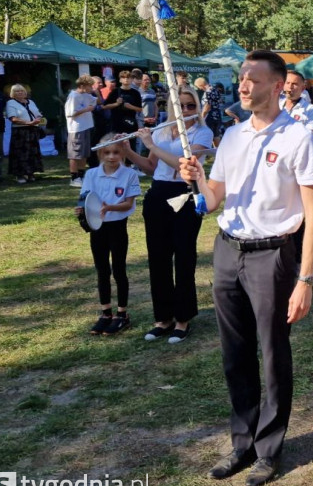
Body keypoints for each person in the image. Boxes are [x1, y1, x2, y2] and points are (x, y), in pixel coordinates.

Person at [179, 50, 313, 486]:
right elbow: (215, 198)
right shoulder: (232, 136)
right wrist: (197, 178)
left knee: (273, 353)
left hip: (273, 256)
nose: (243, 86)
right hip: (228, 251)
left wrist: (305, 279)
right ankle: (241, 443)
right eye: (242, 78)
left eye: (253, 80)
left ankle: (268, 449)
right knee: (234, 353)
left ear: (278, 87)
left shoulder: (300, 138)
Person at [127, 86, 213, 344]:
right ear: (171, 108)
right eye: (181, 106)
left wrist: (150, 143)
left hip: (185, 195)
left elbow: (183, 165)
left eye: (190, 106)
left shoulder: (203, 132)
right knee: (158, 257)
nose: (186, 110)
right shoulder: (162, 130)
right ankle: (162, 318)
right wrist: (128, 150)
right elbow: (152, 167)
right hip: (158, 195)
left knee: (184, 256)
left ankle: (183, 319)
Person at [77, 134, 141, 335]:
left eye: (116, 152)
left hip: (117, 227)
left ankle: (122, 315)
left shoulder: (129, 174)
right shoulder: (91, 174)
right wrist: (81, 210)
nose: (112, 157)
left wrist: (109, 207)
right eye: (107, 152)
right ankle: (106, 313)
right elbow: (85, 199)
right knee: (102, 270)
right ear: (100, 153)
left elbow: (128, 204)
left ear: (123, 153)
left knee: (119, 269)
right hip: (97, 228)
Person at [5, 84, 45, 184]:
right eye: (17, 91)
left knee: (32, 152)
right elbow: (12, 118)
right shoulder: (11, 103)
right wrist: (28, 122)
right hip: (20, 132)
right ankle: (20, 174)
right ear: (13, 93)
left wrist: (38, 119)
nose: (20, 93)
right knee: (20, 153)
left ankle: (31, 173)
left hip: (33, 130)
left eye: (21, 91)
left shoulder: (31, 102)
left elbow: (38, 113)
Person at [65, 76, 98, 187]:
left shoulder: (86, 95)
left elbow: (95, 101)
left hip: (87, 126)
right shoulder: (73, 96)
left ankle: (81, 175)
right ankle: (74, 178)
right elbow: (70, 113)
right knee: (75, 154)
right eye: (90, 86)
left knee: (84, 153)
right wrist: (86, 109)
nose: (91, 88)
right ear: (82, 86)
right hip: (76, 128)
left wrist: (93, 102)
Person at [283, 70, 313, 134]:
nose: (290, 87)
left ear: (303, 88)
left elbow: (311, 135)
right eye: (287, 83)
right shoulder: (276, 105)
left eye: (294, 84)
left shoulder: (312, 109)